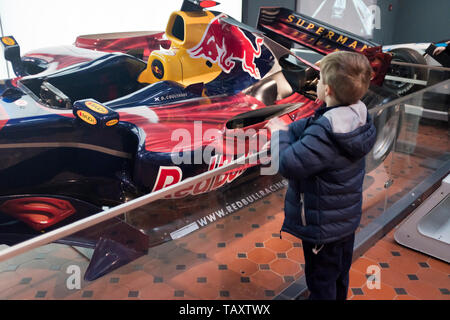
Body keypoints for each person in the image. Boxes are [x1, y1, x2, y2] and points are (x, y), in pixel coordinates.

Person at [266, 51, 377, 300]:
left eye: (319, 81)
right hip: (344, 221)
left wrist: (279, 134)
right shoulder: (359, 114)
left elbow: (288, 164)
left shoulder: (326, 133)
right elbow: (315, 124)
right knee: (338, 274)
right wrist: (292, 128)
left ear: (327, 90)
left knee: (320, 281)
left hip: (322, 227)